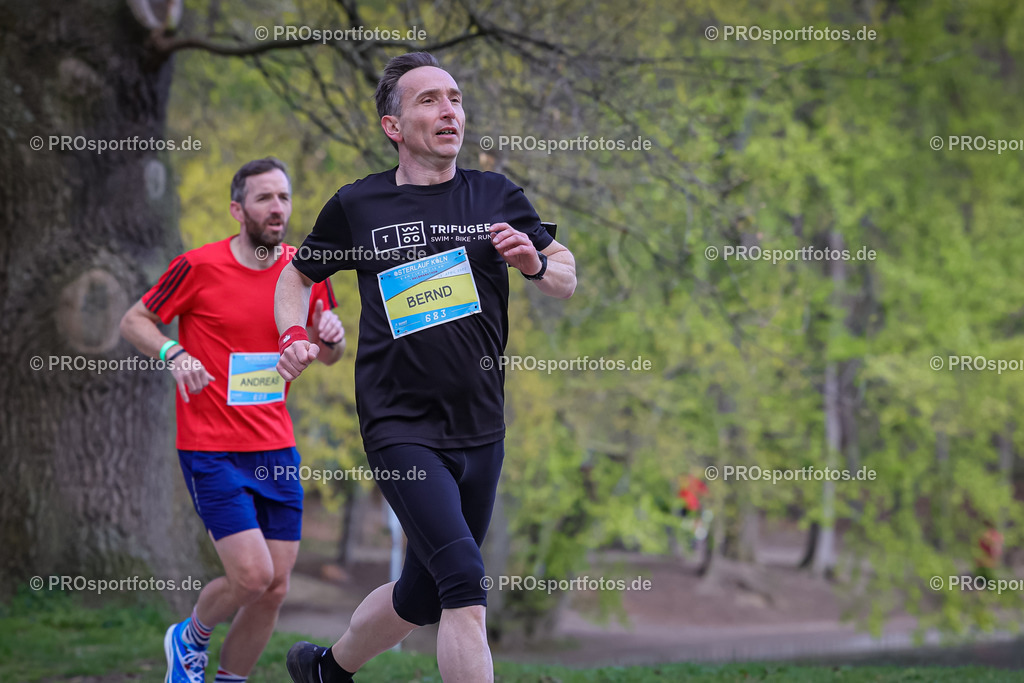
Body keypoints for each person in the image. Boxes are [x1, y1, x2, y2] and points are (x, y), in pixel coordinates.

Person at [275, 52, 577, 682]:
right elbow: (297, 275)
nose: (449, 111)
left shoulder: (496, 194)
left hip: (481, 428)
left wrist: (535, 264)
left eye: (456, 99)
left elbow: (566, 275)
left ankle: (325, 671)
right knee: (463, 578)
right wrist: (293, 333)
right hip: (399, 425)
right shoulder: (359, 205)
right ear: (393, 126)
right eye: (430, 100)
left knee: (421, 593)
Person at [120, 157, 346, 683]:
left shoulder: (304, 271)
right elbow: (134, 320)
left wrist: (332, 339)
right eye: (264, 197)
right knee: (251, 576)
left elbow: (327, 353)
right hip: (212, 446)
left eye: (284, 197)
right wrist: (173, 353)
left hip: (276, 446)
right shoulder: (197, 267)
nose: (277, 208)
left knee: (275, 588)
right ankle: (190, 636)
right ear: (237, 209)